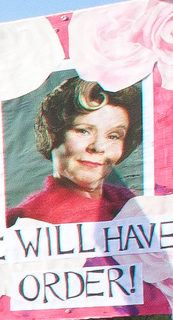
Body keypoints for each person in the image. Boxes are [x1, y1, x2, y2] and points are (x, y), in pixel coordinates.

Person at [11, 79, 138, 225]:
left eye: (114, 136)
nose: (98, 147)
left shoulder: (129, 202)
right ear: (53, 133)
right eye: (83, 131)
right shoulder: (28, 219)